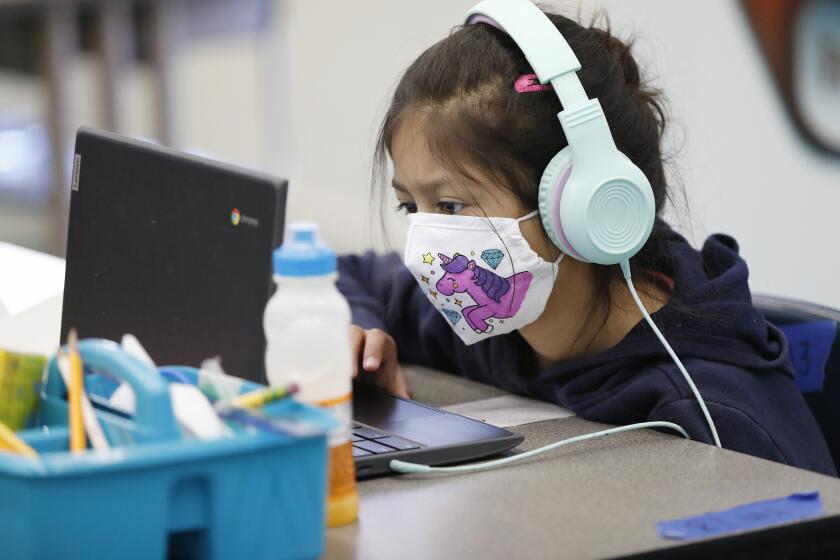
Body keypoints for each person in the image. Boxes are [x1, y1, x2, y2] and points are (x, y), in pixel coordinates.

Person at [336, 5, 836, 476]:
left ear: (578, 207)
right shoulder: (490, 318)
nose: (425, 246)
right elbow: (350, 274)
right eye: (410, 206)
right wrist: (361, 336)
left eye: (449, 208)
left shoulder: (711, 413)